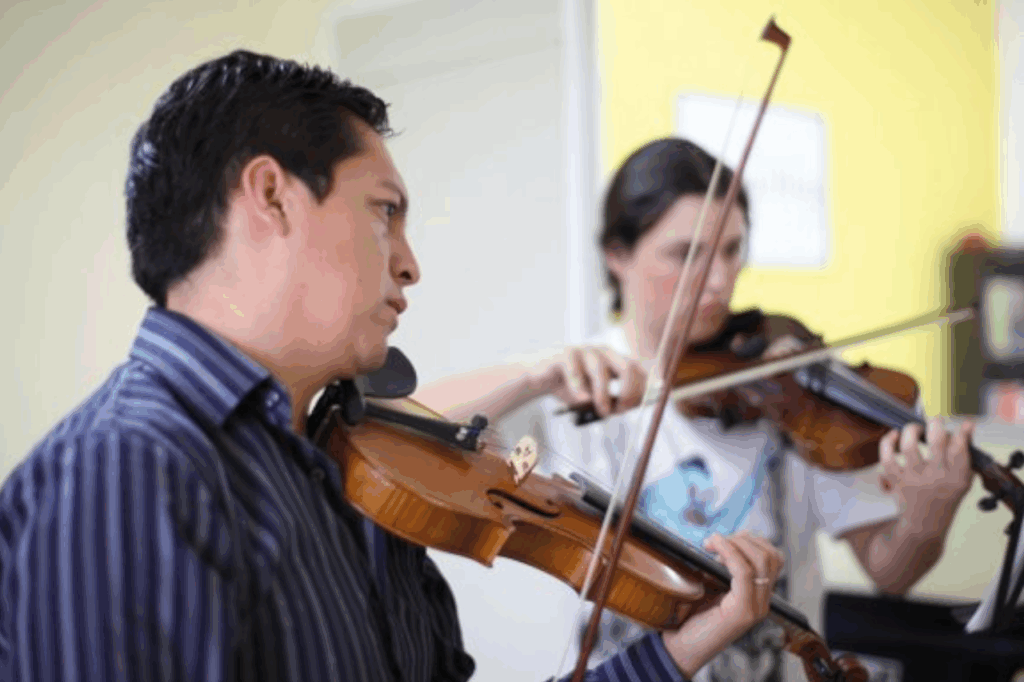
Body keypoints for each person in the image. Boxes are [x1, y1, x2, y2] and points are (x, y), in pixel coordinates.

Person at [0, 51, 791, 682]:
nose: (411, 265)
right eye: (385, 212)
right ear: (270, 196)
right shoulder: (126, 471)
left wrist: (682, 649)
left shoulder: (354, 468)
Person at [414, 138, 977, 681]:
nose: (719, 280)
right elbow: (410, 423)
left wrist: (928, 519)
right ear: (617, 255)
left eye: (733, 250)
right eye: (687, 255)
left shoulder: (791, 395)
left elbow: (893, 572)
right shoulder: (573, 390)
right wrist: (537, 373)